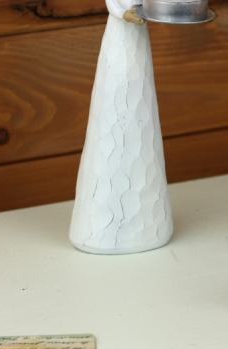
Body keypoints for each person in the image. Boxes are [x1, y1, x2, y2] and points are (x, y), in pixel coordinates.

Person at [69, 0, 173, 255]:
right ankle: (100, 230)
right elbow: (113, 4)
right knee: (112, 122)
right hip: (121, 38)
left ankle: (148, 226)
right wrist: (124, 14)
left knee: (140, 131)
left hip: (137, 35)